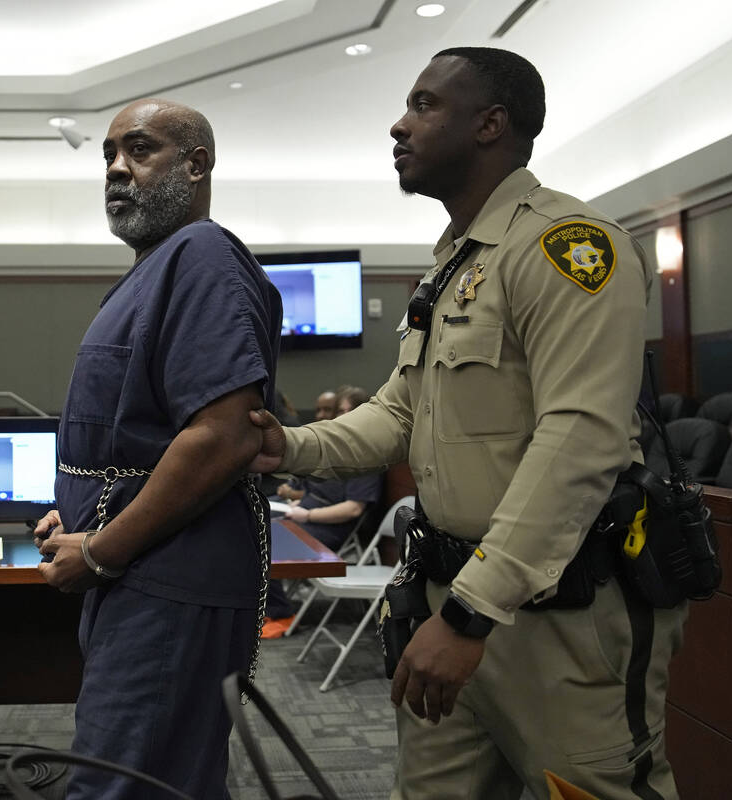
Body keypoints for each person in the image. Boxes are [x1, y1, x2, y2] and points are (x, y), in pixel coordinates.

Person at [248, 47, 683, 799]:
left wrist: (474, 614)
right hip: (451, 597)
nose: (398, 125)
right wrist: (284, 445)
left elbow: (580, 440)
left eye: (424, 105)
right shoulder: (453, 264)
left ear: (490, 124)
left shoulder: (569, 246)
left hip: (553, 615)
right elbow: (398, 412)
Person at [33, 98, 281, 799]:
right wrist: (81, 518)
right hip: (143, 577)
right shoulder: (157, 267)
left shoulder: (202, 255)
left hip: (170, 580)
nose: (116, 169)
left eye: (139, 151)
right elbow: (134, 437)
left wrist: (104, 546)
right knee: (167, 780)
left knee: (120, 787)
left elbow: (223, 435)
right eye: (108, 155)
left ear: (196, 165)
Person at [262, 385, 383, 637]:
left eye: (349, 411)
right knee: (253, 526)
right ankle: (265, 606)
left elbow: (352, 509)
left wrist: (306, 514)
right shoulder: (337, 448)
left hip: (328, 527)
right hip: (304, 513)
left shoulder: (368, 454)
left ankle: (281, 612)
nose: (342, 417)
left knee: (263, 544)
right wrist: (299, 502)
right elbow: (312, 488)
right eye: (339, 411)